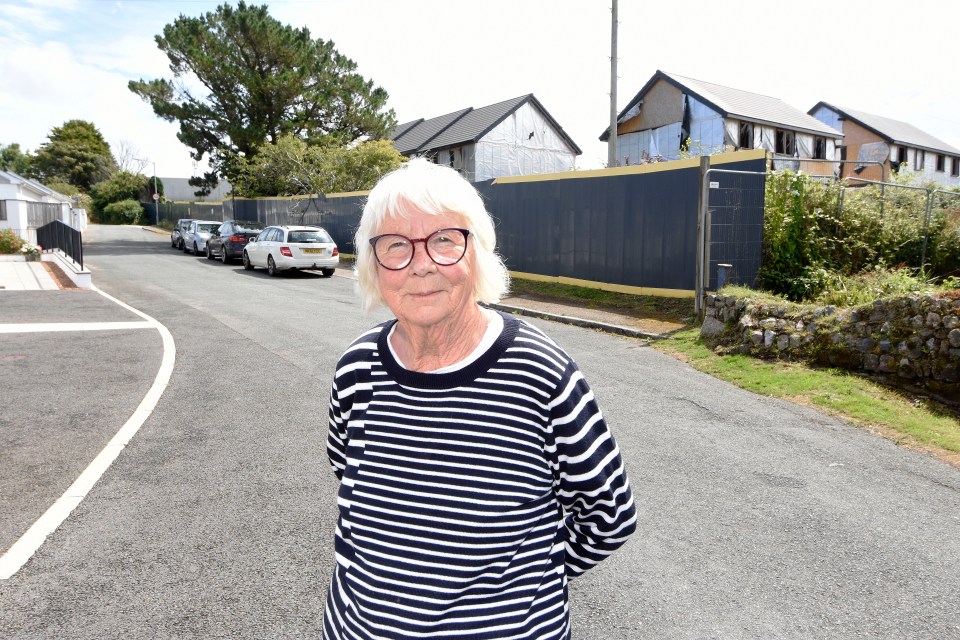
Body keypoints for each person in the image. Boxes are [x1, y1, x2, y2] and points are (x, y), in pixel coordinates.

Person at [323, 158, 636, 639]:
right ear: (372, 265)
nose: (422, 264)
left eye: (445, 240)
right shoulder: (356, 369)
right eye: (396, 245)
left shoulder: (538, 372)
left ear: (478, 253)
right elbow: (348, 475)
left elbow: (609, 514)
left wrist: (527, 582)